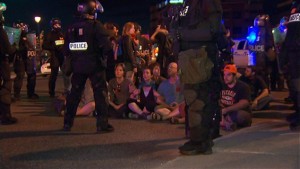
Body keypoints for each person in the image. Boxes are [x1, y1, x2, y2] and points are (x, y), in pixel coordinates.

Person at [170, 0, 224, 155]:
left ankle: (201, 141)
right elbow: (175, 26)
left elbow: (213, 29)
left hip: (201, 56)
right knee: (193, 99)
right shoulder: (185, 4)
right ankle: (200, 139)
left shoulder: (206, 2)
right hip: (189, 57)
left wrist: (181, 33)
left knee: (200, 100)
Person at [62, 0, 114, 132]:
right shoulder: (96, 26)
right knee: (100, 94)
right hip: (95, 65)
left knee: (74, 94)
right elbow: (107, 47)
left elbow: (66, 49)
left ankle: (67, 123)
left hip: (78, 66)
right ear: (92, 11)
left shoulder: (71, 27)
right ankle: (102, 125)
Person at [280, 0, 300, 131]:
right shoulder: (295, 7)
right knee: (296, 86)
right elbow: (291, 33)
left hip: (296, 51)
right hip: (294, 53)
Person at [12, 21, 39, 100]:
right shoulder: (15, 37)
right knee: (20, 76)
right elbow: (13, 48)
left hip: (29, 58)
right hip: (20, 58)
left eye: (24, 27)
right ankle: (17, 95)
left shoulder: (29, 36)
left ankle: (31, 93)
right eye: (21, 27)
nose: (23, 28)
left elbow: (33, 47)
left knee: (32, 75)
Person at [0, 2, 17, 125]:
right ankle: (6, 116)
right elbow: (8, 49)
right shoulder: (1, 31)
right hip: (1, 62)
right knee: (6, 87)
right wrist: (14, 46)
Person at [220, 64, 252, 131]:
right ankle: (227, 124)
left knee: (239, 115)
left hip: (239, 112)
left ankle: (227, 123)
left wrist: (226, 110)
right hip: (224, 113)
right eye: (224, 75)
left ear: (234, 76)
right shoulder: (221, 85)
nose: (225, 77)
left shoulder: (243, 86)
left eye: (228, 75)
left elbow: (244, 103)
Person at [43, 18, 67, 97]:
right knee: (53, 75)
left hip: (63, 56)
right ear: (52, 25)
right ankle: (51, 92)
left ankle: (67, 90)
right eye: (56, 24)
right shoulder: (49, 34)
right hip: (54, 57)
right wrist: (54, 46)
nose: (58, 26)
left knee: (66, 74)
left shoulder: (62, 34)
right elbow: (45, 45)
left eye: (59, 24)